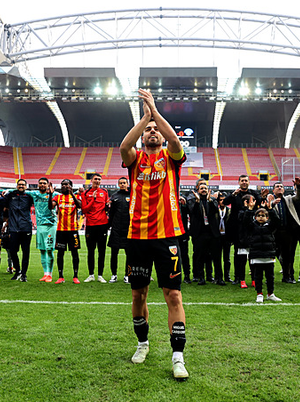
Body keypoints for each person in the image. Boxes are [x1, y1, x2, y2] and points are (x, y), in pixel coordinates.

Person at [119, 88, 189, 379]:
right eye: (148, 130)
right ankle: (142, 343)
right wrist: (145, 117)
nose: (152, 132)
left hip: (167, 235)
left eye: (155, 130)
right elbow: (124, 146)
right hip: (137, 236)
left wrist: (155, 114)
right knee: (139, 294)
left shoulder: (171, 158)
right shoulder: (134, 159)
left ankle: (178, 357)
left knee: (173, 295)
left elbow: (174, 140)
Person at [223, 175, 264, 288]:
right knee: (239, 255)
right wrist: (233, 195)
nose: (244, 182)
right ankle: (238, 278)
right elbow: (225, 202)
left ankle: (254, 278)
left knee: (253, 255)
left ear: (249, 182)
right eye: (242, 181)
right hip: (237, 230)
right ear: (239, 182)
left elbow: (260, 202)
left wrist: (263, 197)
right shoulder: (235, 194)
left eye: (246, 180)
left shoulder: (253, 193)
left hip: (251, 228)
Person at [242, 199, 282, 303]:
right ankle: (259, 294)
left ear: (267, 217)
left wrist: (270, 209)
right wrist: (249, 209)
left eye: (263, 215)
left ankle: (270, 294)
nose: (261, 217)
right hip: (256, 255)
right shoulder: (252, 227)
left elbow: (277, 221)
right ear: (255, 217)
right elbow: (245, 222)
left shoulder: (270, 227)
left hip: (269, 255)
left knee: (270, 276)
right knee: (258, 276)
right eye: (258, 215)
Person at [267, 178, 300, 283]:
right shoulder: (269, 200)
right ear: (273, 190)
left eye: (281, 187)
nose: (279, 188)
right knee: (271, 255)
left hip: (287, 232)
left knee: (288, 255)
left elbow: (298, 197)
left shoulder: (289, 199)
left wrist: (298, 186)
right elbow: (265, 211)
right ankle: (269, 277)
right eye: (277, 187)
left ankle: (287, 277)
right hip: (274, 232)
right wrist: (272, 204)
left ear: (284, 190)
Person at [187, 183, 223, 285]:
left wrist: (210, 201)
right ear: (198, 190)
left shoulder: (213, 200)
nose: (203, 190)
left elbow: (215, 211)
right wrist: (197, 202)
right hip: (200, 233)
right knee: (200, 257)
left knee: (216, 257)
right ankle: (201, 278)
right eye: (201, 188)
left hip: (212, 233)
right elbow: (193, 213)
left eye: (205, 188)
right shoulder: (193, 200)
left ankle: (219, 278)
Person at [51, 179, 82, 284]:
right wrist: (50, 195)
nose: (64, 186)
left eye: (66, 184)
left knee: (75, 253)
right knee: (60, 253)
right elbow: (50, 206)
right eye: (62, 184)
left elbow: (80, 206)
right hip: (61, 230)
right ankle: (60, 276)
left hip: (73, 230)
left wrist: (72, 194)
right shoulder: (58, 197)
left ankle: (75, 276)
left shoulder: (76, 197)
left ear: (71, 186)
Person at [28, 178, 58, 282]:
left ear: (47, 185)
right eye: (40, 183)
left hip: (51, 225)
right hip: (40, 225)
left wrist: (79, 191)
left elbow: (66, 195)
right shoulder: (34, 194)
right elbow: (21, 190)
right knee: (42, 250)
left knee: (49, 249)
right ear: (38, 185)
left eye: (44, 183)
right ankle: (45, 273)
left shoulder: (54, 194)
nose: (42, 185)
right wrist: (5, 191)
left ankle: (50, 274)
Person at [80, 173, 110, 283]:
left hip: (102, 225)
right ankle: (91, 274)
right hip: (90, 225)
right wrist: (93, 199)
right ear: (91, 180)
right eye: (95, 179)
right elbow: (84, 210)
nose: (97, 181)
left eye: (99, 179)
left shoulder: (104, 192)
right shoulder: (86, 193)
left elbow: (106, 207)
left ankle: (100, 275)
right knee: (90, 251)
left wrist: (108, 206)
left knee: (102, 251)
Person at [5, 179, 35, 282]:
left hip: (26, 227)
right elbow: (2, 198)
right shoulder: (10, 196)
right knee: (13, 251)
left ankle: (24, 274)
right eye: (19, 184)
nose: (21, 186)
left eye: (23, 185)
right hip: (13, 228)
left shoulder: (29, 197)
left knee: (25, 252)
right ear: (16, 186)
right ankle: (17, 271)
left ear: (26, 186)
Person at [108, 177, 131, 283]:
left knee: (129, 254)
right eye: (120, 183)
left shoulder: (132, 196)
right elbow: (111, 214)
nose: (122, 184)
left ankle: (127, 275)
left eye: (124, 183)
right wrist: (109, 226)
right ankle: (114, 275)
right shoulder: (114, 196)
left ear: (127, 184)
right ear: (118, 184)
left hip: (128, 229)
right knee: (114, 253)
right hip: (116, 229)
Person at [216, 193, 232, 286]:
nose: (222, 201)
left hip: (226, 237)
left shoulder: (229, 210)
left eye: (223, 200)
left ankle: (227, 276)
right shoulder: (215, 210)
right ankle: (219, 277)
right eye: (220, 200)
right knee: (217, 258)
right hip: (217, 236)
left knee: (227, 258)